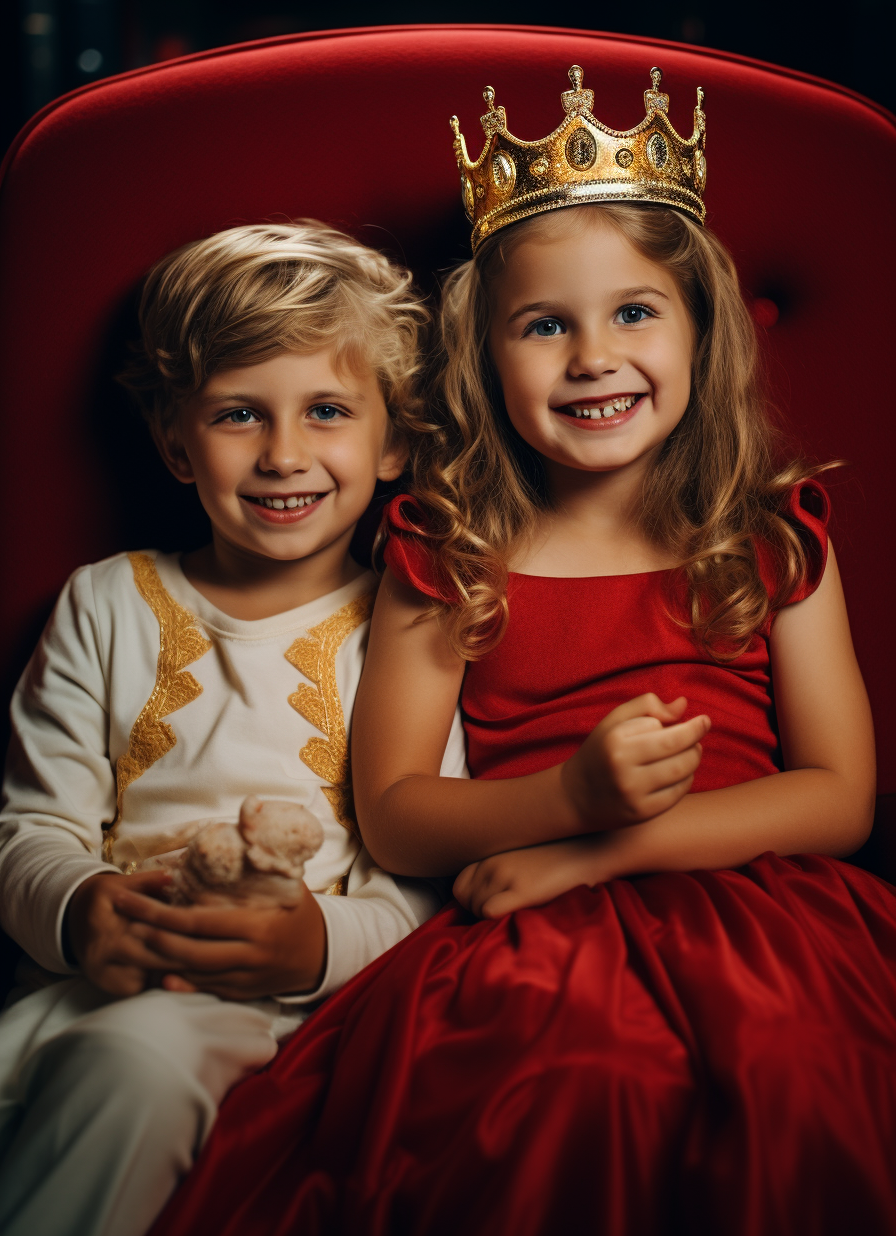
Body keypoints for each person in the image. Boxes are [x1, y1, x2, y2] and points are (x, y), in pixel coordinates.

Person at [149, 68, 896, 1236]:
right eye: (545, 326)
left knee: (795, 1073)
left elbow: (838, 796)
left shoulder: (768, 536)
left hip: (759, 914)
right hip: (526, 936)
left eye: (634, 313)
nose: (593, 357)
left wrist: (598, 849)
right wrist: (562, 799)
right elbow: (395, 812)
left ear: (702, 327)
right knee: (572, 1089)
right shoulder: (450, 548)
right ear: (485, 357)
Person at [0, 220, 466, 1236]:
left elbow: (423, 895)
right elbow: (27, 831)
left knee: (132, 1068)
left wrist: (308, 948)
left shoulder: (408, 626)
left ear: (392, 443)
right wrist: (82, 911)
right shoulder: (105, 604)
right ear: (174, 439)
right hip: (83, 983)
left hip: (279, 1011)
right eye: (239, 415)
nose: (284, 454)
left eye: (328, 411)